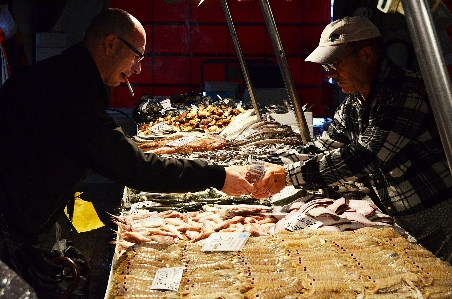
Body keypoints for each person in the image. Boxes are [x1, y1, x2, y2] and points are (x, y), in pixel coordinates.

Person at [0, 8, 268, 297]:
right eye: (137, 56)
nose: (138, 68)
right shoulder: (70, 94)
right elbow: (137, 169)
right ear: (111, 43)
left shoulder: (62, 76)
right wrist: (218, 175)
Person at [255, 16, 452, 263]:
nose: (331, 75)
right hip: (399, 216)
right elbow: (323, 147)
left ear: (367, 54)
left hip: (439, 216)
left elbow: (364, 157)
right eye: (326, 67)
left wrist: (288, 176)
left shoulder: (405, 93)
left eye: (335, 64)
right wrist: (265, 166)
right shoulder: (354, 104)